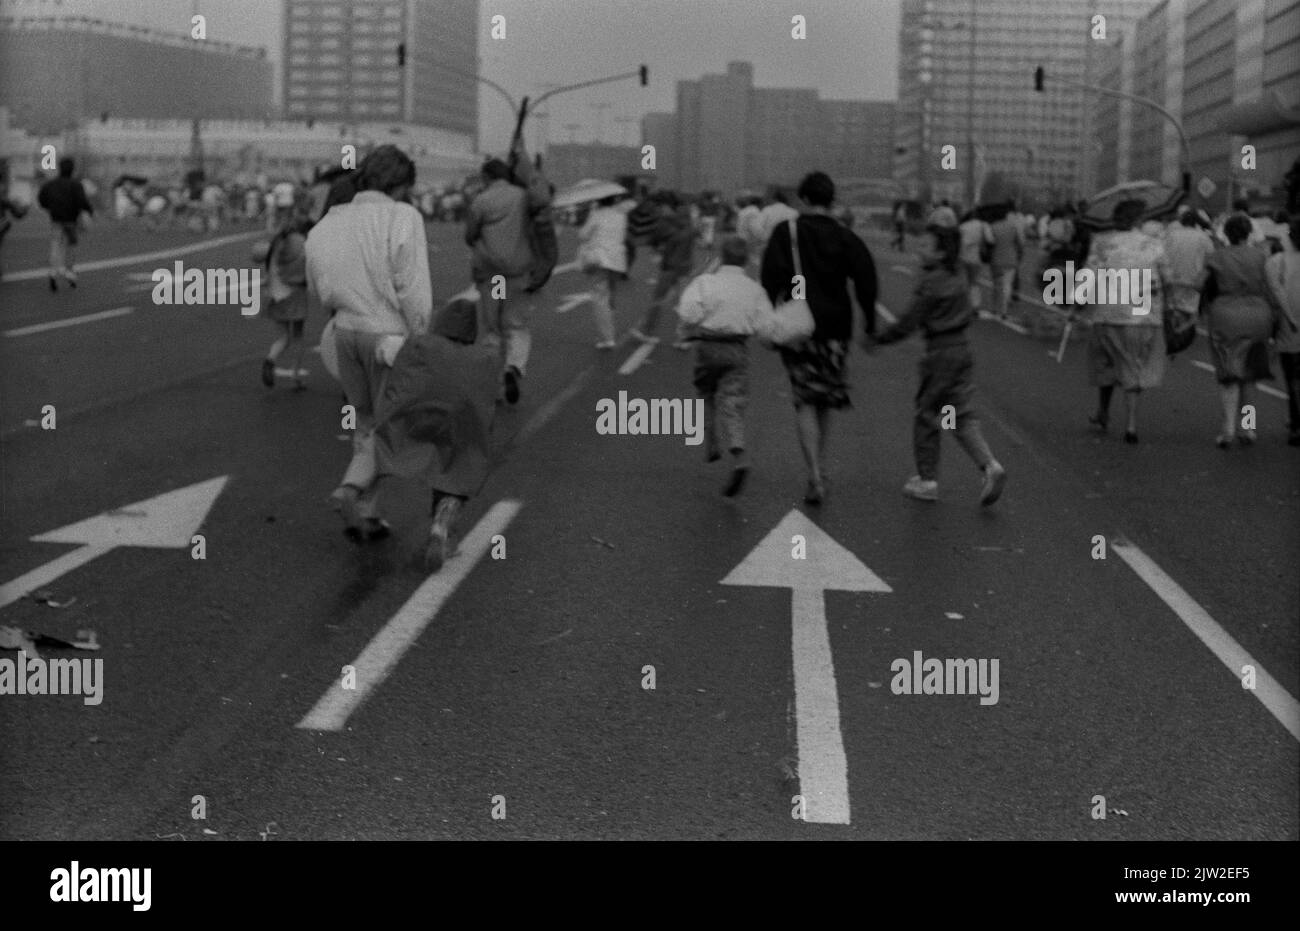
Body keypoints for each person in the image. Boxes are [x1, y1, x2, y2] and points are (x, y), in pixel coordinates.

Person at [305, 145, 432, 542]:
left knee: (365, 424)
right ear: (400, 184)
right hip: (387, 333)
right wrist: (421, 337)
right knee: (393, 426)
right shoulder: (402, 217)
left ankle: (365, 514)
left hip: (344, 330)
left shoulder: (329, 221)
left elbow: (317, 284)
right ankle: (352, 490)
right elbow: (412, 286)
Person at [863, 225, 1007, 506]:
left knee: (927, 414)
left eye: (925, 246)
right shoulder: (959, 273)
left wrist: (879, 339)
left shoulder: (932, 281)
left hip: (940, 353)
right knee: (959, 414)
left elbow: (909, 321)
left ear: (942, 252)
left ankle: (927, 480)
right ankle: (990, 465)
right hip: (962, 349)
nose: (919, 250)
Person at [761, 171, 878, 504]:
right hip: (836, 327)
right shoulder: (845, 236)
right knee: (824, 397)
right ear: (831, 201)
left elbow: (770, 277)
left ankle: (813, 472)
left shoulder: (788, 232)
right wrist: (869, 324)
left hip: (799, 324)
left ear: (804, 199)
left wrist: (771, 311)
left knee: (804, 398)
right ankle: (820, 467)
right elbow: (866, 281)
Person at [676, 235, 775, 496]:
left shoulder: (705, 282)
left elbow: (688, 312)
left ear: (722, 256)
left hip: (708, 347)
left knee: (705, 391)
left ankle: (710, 437)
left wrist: (691, 328)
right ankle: (740, 454)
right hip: (737, 349)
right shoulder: (755, 289)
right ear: (746, 260)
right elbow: (766, 326)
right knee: (733, 402)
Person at [1083, 198, 1168, 444]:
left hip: (1108, 312)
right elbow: (1168, 277)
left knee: (1107, 362)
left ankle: (1103, 412)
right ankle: (1131, 424)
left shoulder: (1101, 243)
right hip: (1143, 313)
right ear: (1139, 219)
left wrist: (1077, 303)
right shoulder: (1154, 245)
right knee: (1133, 364)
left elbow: (1089, 275)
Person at [465, 156, 542, 404]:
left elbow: (470, 234)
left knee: (492, 327)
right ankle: (514, 367)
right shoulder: (523, 197)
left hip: (492, 276)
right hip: (518, 274)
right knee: (516, 326)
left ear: (487, 177)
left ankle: (493, 382)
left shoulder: (481, 200)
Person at [1202, 213, 1283, 447]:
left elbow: (1199, 282)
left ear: (1226, 234)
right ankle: (1248, 428)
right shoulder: (1261, 256)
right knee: (1250, 377)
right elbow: (1272, 286)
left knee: (1229, 376)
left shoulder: (1216, 257)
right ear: (1249, 233)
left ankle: (1227, 429)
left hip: (1225, 316)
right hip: (1258, 317)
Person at [258, 191, 315, 390]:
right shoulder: (304, 239)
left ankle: (270, 360)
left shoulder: (278, 239)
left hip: (278, 290)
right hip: (297, 290)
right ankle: (297, 375)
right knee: (298, 335)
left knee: (282, 336)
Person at [631, 191, 695, 343]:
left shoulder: (663, 223)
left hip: (670, 265)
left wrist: (658, 247)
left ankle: (646, 331)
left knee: (659, 299)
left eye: (659, 206)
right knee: (684, 301)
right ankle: (684, 337)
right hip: (685, 263)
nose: (657, 210)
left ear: (666, 206)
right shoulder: (686, 219)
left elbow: (653, 240)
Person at [1264, 216, 1300, 446]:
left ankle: (1296, 424)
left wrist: (1289, 317)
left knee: (1293, 378)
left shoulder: (1276, 262)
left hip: (1291, 328)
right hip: (1291, 324)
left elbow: (1274, 293)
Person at [577, 192, 629, 349]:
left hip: (599, 259)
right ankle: (609, 327)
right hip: (617, 261)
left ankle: (607, 337)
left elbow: (583, 235)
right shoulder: (621, 216)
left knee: (600, 298)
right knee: (609, 295)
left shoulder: (596, 214)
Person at [37, 157, 94, 292]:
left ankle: (53, 272)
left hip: (56, 220)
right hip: (71, 221)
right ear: (72, 170)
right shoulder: (75, 185)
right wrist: (89, 210)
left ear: (59, 168)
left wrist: (50, 207)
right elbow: (82, 201)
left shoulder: (50, 184)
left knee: (55, 246)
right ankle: (69, 271)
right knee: (70, 246)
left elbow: (41, 199)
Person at [1162, 208, 1216, 342]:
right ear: (1197, 222)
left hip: (1171, 281)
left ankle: (1172, 337)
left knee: (1171, 310)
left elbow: (1162, 257)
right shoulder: (1204, 238)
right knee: (1189, 314)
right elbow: (1210, 262)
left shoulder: (1170, 236)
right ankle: (1180, 335)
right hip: (1192, 283)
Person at [987, 205, 1024, 320]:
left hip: (996, 258)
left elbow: (989, 242)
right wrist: (1019, 254)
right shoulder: (1013, 227)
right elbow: (1020, 242)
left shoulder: (992, 227)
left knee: (996, 284)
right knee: (1007, 285)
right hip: (1011, 258)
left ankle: (994, 308)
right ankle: (1004, 311)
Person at [957, 210, 993, 312]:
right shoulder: (983, 225)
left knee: (963, 281)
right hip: (976, 258)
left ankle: (961, 304)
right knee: (974, 282)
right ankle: (975, 305)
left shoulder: (963, 226)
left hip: (962, 257)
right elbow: (990, 240)